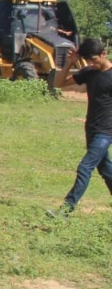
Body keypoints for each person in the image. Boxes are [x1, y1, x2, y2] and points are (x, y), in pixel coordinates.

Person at [49, 37, 112, 216]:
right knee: (105, 169)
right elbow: (58, 84)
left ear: (103, 54)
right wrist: (70, 62)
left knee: (85, 167)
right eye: (88, 60)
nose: (91, 63)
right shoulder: (90, 72)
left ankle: (65, 210)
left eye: (94, 59)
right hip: (91, 128)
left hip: (106, 131)